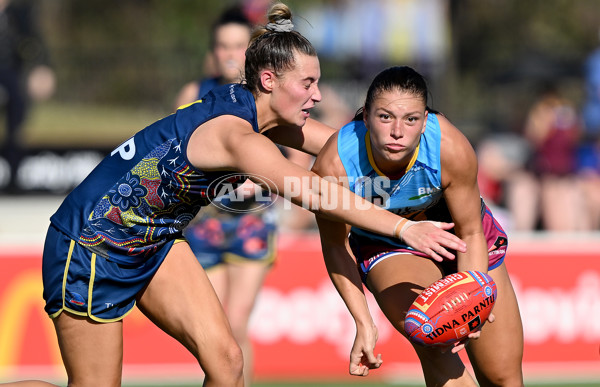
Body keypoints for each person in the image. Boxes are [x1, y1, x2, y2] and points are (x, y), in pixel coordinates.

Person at [1, 5, 468, 387]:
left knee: (227, 362)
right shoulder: (237, 137)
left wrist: (409, 148)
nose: (318, 94)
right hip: (89, 246)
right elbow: (313, 191)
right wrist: (407, 227)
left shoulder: (261, 112)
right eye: (308, 84)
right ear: (269, 81)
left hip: (155, 242)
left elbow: (345, 147)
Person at [312, 66, 524, 386]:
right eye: (385, 117)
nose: (398, 131)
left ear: (424, 121)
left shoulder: (449, 147)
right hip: (390, 246)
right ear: (366, 117)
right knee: (434, 339)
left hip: (464, 240)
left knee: (503, 378)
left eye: (410, 119)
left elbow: (470, 232)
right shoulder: (335, 163)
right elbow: (335, 245)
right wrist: (363, 322)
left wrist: (473, 295)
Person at [174, 6, 311, 386]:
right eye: (221, 46)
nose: (229, 53)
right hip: (206, 226)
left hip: (252, 223)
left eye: (237, 45)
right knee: (216, 334)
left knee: (236, 324)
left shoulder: (264, 97)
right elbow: (176, 155)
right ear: (212, 51)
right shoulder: (195, 93)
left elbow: (297, 150)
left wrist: (271, 185)